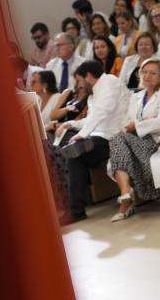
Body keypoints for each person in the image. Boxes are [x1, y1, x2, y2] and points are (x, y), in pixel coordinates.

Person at [107, 58, 160, 221]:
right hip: (134, 141)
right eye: (144, 72)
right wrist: (147, 121)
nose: (147, 76)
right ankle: (125, 193)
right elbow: (125, 122)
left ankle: (126, 197)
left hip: (159, 143)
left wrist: (137, 125)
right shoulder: (136, 96)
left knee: (117, 140)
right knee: (118, 139)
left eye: (153, 73)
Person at [55, 61, 131, 221]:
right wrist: (72, 124)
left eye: (79, 81)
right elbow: (91, 119)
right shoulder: (94, 94)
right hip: (98, 136)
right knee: (74, 156)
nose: (79, 86)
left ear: (88, 76)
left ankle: (75, 211)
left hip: (116, 137)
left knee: (77, 149)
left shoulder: (110, 82)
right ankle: (76, 210)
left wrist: (82, 134)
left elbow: (103, 112)